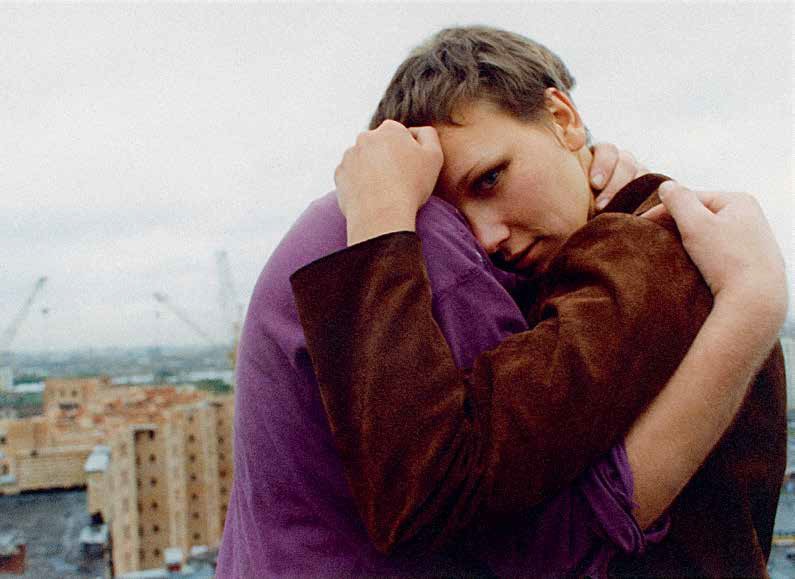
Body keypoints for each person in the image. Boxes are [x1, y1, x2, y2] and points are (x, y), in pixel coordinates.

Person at [290, 27, 787, 577]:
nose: (485, 239)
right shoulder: (623, 253)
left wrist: (379, 223)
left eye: (490, 179)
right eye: (457, 223)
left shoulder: (647, 253)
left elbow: (424, 491)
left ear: (562, 118)